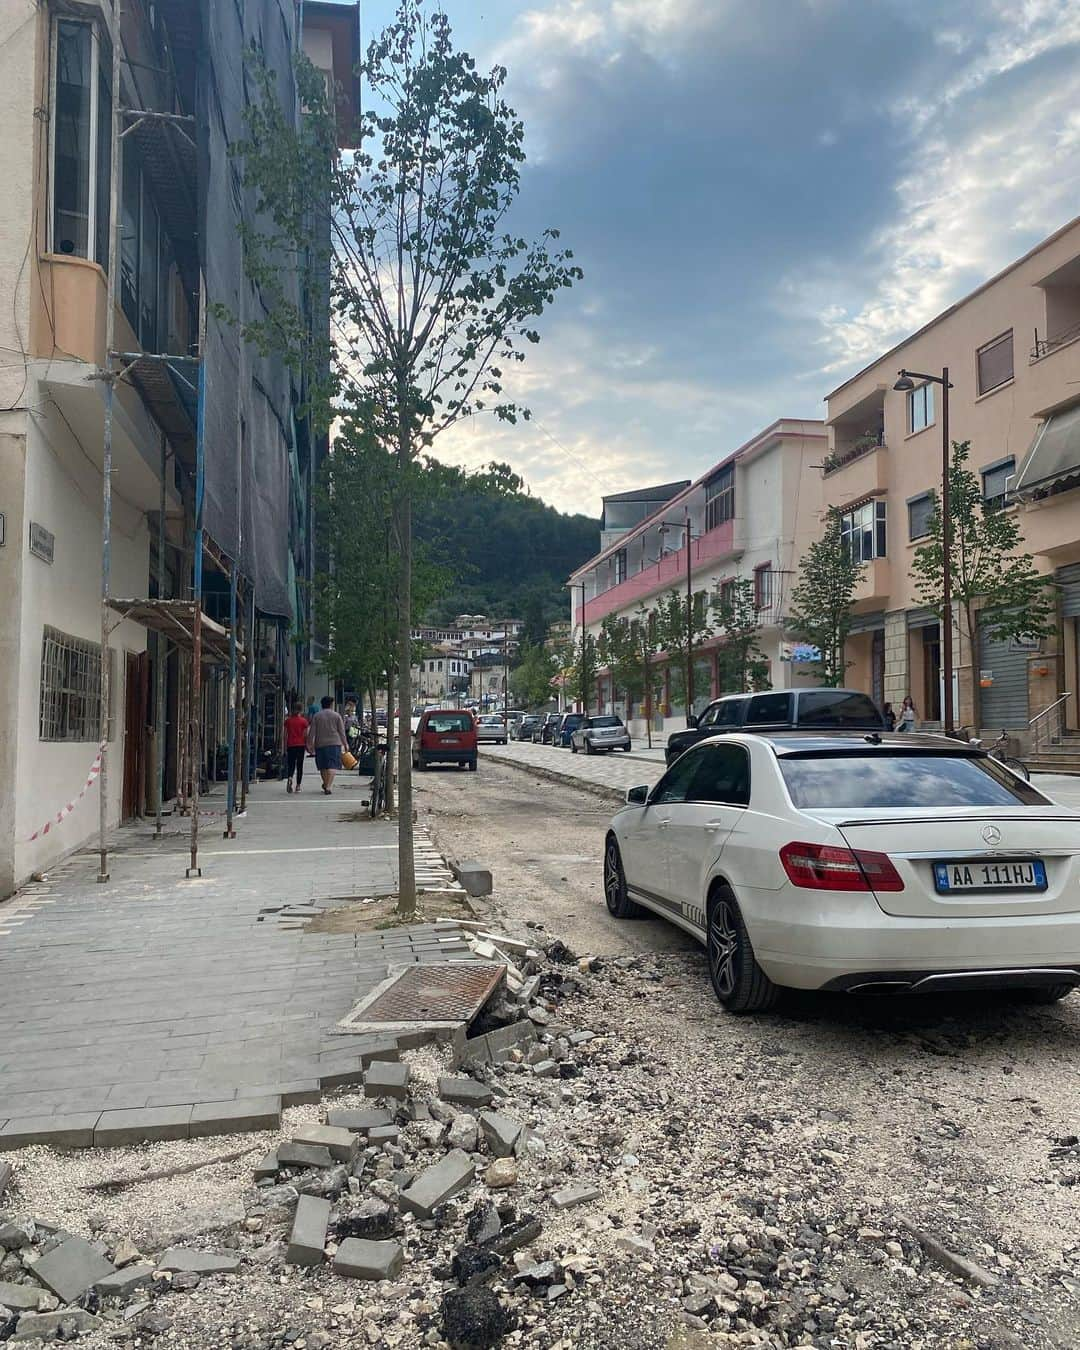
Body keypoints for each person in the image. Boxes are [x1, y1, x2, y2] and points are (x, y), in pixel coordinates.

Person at [307, 695, 349, 794]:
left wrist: (309, 744)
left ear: (322, 704)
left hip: (320, 743)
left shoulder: (317, 716)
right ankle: (328, 786)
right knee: (332, 765)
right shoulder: (336, 716)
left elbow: (312, 731)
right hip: (334, 743)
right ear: (331, 704)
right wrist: (345, 743)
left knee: (323, 766)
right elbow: (341, 731)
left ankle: (326, 784)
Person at [283, 701, 309, 793]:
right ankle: (298, 786)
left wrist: (284, 745)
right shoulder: (304, 721)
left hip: (291, 745)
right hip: (300, 745)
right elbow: (306, 735)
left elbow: (285, 734)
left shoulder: (288, 721)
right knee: (299, 765)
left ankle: (290, 777)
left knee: (291, 764)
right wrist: (307, 745)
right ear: (301, 710)